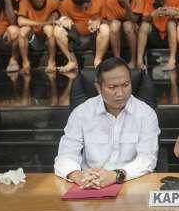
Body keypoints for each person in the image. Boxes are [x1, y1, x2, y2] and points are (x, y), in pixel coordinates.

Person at [54, 57, 160, 187]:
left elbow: (147, 159)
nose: (120, 93)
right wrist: (78, 176)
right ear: (98, 87)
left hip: (131, 184)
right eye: (112, 87)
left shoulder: (146, 114)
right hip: (90, 185)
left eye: (126, 85)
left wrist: (116, 175)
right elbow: (65, 156)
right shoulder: (81, 113)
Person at [54, 0, 110, 71]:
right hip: (76, 36)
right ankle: (72, 62)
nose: (84, 9)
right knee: (57, 30)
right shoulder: (65, 3)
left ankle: (98, 61)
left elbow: (110, 22)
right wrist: (64, 20)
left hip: (95, 36)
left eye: (86, 7)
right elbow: (59, 20)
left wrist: (100, 20)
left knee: (105, 28)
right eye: (80, 8)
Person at [137, 0, 179, 70]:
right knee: (144, 26)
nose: (161, 2)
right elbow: (143, 19)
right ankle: (139, 61)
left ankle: (172, 60)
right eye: (158, 0)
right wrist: (152, 15)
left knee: (171, 23)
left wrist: (176, 14)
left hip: (171, 35)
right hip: (155, 35)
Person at [17, 0, 60, 74]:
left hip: (47, 39)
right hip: (33, 38)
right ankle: (25, 62)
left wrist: (56, 14)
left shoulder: (53, 2)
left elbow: (62, 11)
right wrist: (42, 23)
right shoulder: (24, 2)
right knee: (23, 30)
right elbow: (20, 21)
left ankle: (51, 62)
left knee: (48, 28)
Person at [105, 0, 145, 68]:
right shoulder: (110, 2)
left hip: (134, 30)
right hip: (118, 34)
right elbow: (111, 22)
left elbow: (135, 19)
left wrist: (126, 5)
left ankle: (133, 60)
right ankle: (117, 59)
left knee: (127, 25)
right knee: (115, 25)